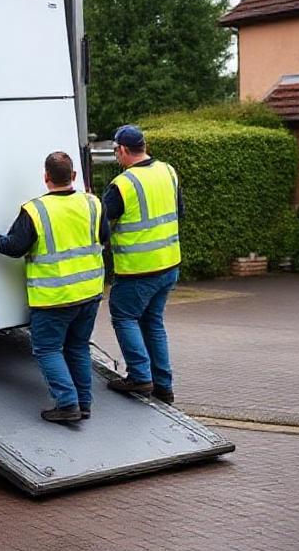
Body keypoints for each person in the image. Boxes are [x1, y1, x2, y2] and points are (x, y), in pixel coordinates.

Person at [0, 152, 109, 423]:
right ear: (74, 176)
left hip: (53, 297)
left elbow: (14, 247)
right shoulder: (93, 203)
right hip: (90, 293)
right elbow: (104, 238)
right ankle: (84, 403)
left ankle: (67, 404)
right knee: (78, 347)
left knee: (47, 349)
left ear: (45, 178)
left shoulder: (35, 210)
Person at [103, 124, 183, 405]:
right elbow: (179, 211)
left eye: (116, 151)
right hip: (169, 264)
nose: (116, 156)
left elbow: (100, 225)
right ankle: (164, 385)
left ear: (123, 150)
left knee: (124, 317)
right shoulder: (168, 171)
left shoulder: (123, 184)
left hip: (137, 270)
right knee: (153, 322)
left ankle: (139, 376)